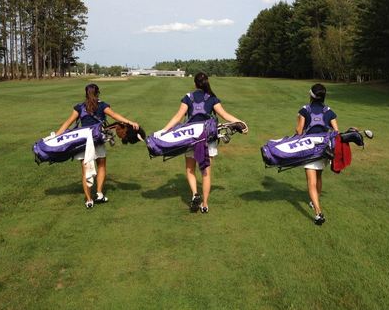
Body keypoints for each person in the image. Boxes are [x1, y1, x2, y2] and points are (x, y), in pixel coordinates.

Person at [157, 72, 248, 213]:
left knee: (190, 170)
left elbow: (178, 117)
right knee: (206, 173)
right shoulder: (212, 98)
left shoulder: (188, 98)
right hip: (208, 139)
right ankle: (204, 204)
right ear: (206, 83)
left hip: (190, 139)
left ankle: (195, 194)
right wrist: (241, 123)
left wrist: (164, 131)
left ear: (195, 84)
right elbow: (225, 115)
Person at [55, 83, 140, 209]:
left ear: (85, 93)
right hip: (97, 141)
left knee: (85, 171)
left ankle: (89, 200)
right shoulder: (102, 105)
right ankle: (99, 194)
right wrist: (130, 122)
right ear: (98, 92)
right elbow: (115, 116)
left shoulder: (79, 107)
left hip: (82, 142)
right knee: (101, 166)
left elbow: (67, 123)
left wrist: (55, 137)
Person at [295, 83, 338, 225]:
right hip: (324, 149)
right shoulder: (329, 111)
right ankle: (315, 202)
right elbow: (336, 132)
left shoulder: (304, 110)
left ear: (311, 95)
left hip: (309, 148)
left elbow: (299, 131)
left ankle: (318, 213)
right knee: (318, 176)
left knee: (311, 182)